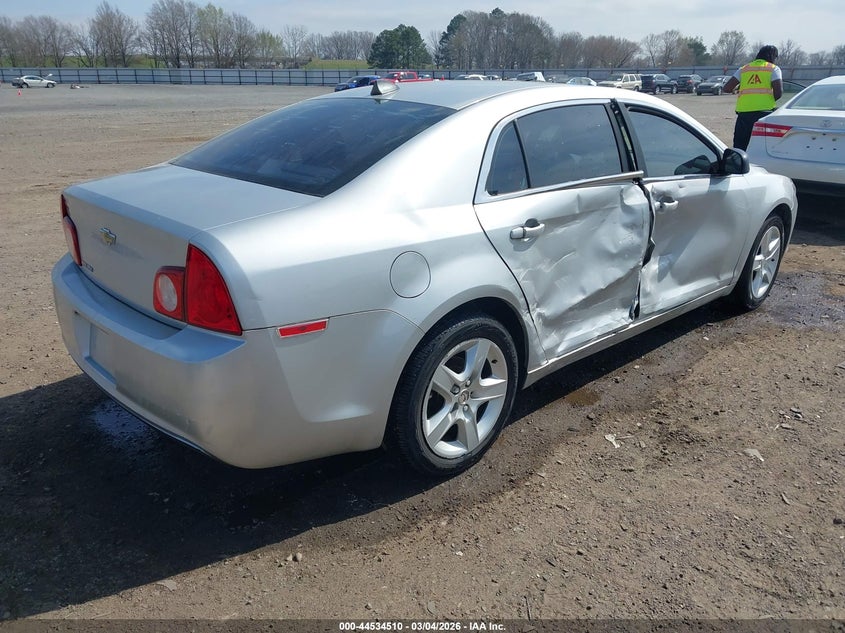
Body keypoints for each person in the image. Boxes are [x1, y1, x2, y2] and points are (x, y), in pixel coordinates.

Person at [723, 45, 783, 150]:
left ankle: (740, 166)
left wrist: (740, 90)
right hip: (764, 115)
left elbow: (727, 88)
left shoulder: (744, 69)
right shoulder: (773, 69)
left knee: (740, 149)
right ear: (773, 56)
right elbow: (778, 93)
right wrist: (765, 100)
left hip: (744, 116)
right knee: (761, 149)